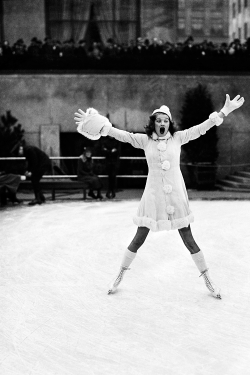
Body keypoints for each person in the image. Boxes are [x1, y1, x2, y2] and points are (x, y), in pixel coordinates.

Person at [74, 95, 245, 299]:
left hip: (177, 195)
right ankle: (119, 275)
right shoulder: (145, 140)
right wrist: (102, 125)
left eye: (165, 120)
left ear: (169, 123)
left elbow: (202, 128)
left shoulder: (179, 137)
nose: (162, 123)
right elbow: (122, 135)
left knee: (189, 239)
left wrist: (223, 112)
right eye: (158, 120)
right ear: (153, 122)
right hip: (153, 195)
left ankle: (208, 279)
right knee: (138, 237)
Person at [102, 134, 120, 199]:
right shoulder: (105, 141)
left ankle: (111, 191)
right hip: (108, 162)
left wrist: (108, 151)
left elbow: (118, 151)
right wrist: (111, 151)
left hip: (114, 162)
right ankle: (110, 191)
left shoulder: (117, 141)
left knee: (113, 176)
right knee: (110, 177)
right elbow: (103, 151)